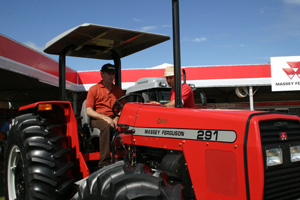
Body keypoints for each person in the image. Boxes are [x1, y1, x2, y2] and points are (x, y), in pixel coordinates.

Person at [86, 63, 124, 168]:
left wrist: (116, 118)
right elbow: (89, 110)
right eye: (108, 73)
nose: (111, 76)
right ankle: (104, 162)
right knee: (107, 126)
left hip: (114, 117)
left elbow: (122, 109)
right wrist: (105, 118)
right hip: (98, 118)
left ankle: (128, 156)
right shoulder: (94, 89)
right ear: (102, 74)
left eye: (113, 73)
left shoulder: (118, 90)